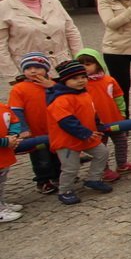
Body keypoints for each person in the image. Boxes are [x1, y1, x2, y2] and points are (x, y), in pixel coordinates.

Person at [46, 59, 112, 205]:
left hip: (87, 135)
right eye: (75, 78)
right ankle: (65, 191)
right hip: (67, 141)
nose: (81, 81)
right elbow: (66, 121)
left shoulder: (83, 93)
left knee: (102, 153)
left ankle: (93, 179)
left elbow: (90, 111)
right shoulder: (60, 100)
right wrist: (86, 133)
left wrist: (96, 123)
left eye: (83, 77)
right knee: (71, 168)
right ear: (64, 80)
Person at [0, 0, 84, 78]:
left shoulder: (54, 3)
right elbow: (1, 45)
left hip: (62, 66)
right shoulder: (4, 8)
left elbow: (71, 32)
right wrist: (13, 75)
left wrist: (80, 60)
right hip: (29, 70)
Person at [77, 49, 131, 178]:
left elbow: (118, 97)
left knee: (121, 142)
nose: (85, 68)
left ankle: (122, 164)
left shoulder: (109, 80)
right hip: (95, 124)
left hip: (113, 119)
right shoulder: (80, 84)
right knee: (101, 148)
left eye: (88, 64)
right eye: (81, 65)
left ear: (98, 64)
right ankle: (104, 170)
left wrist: (122, 113)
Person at [10, 53, 59, 193]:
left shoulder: (53, 85)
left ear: (46, 69)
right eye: (28, 68)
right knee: (41, 158)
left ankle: (59, 176)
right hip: (35, 132)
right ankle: (43, 181)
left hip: (54, 129)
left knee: (57, 154)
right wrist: (23, 128)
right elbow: (16, 111)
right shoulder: (19, 89)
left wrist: (52, 87)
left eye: (37, 67)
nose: (33, 71)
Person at [0, 96, 20, 221]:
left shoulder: (2, 107)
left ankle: (1, 204)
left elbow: (14, 121)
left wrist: (13, 136)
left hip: (3, 155)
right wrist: (4, 141)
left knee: (1, 181)